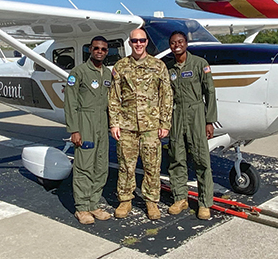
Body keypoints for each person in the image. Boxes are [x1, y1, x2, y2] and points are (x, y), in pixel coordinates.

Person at [109, 28, 173, 220]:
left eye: (142, 40)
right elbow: (114, 97)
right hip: (127, 125)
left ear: (146, 42)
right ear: (130, 43)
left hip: (151, 125)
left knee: (152, 165)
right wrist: (114, 123)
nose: (138, 44)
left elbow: (166, 96)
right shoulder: (120, 66)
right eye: (135, 41)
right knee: (126, 165)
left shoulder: (158, 66)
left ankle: (151, 201)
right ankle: (125, 200)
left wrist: (165, 123)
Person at [166, 31, 217, 220]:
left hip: (196, 113)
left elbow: (209, 92)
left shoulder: (199, 64)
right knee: (176, 157)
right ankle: (180, 197)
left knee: (201, 159)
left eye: (180, 41)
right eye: (173, 43)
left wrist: (209, 120)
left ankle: (205, 203)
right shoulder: (168, 67)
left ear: (186, 43)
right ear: (170, 46)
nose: (176, 45)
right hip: (176, 115)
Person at [64, 36, 112, 225]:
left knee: (101, 166)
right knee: (84, 166)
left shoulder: (108, 74)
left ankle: (94, 203)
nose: (100, 51)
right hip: (85, 122)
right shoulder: (79, 72)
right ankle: (82, 207)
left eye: (103, 49)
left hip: (102, 123)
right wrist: (74, 129)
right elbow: (70, 102)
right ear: (90, 50)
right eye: (96, 48)